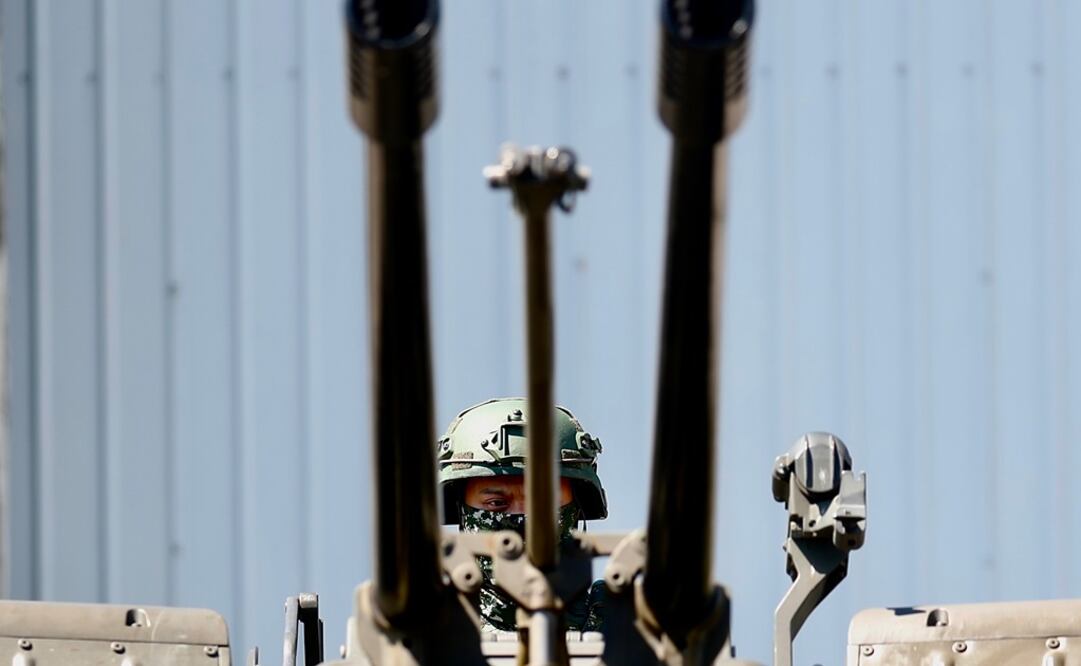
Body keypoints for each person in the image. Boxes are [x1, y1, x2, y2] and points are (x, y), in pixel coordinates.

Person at [437, 397, 608, 633]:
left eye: (543, 503)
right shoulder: (430, 628)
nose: (521, 517)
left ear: (577, 508)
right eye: (496, 504)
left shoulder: (621, 624)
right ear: (462, 513)